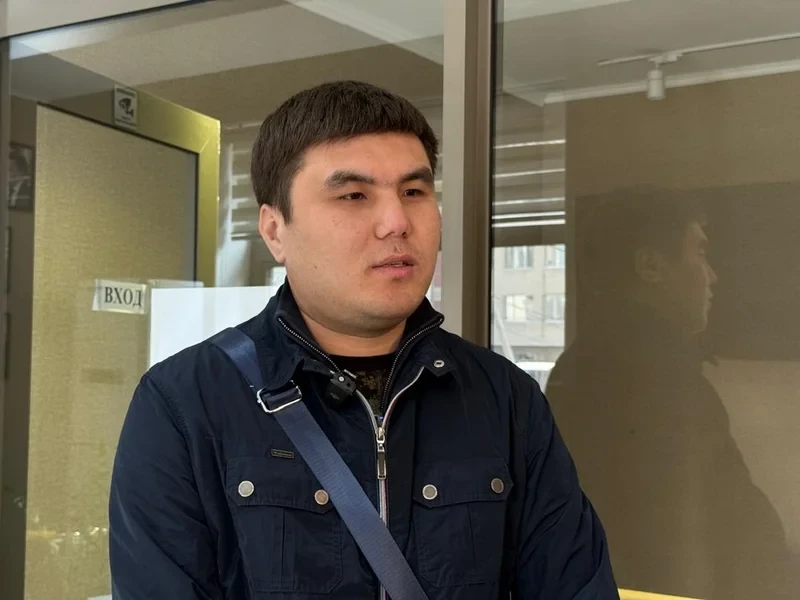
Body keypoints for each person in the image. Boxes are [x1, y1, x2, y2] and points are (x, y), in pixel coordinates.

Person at [109, 81, 617, 600]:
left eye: (414, 192)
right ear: (275, 230)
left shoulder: (503, 398)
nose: (397, 222)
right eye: (354, 195)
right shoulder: (184, 403)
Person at [547, 188, 798, 599]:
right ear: (651, 266)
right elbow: (725, 523)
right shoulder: (656, 377)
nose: (712, 276)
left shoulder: (577, 366)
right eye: (699, 253)